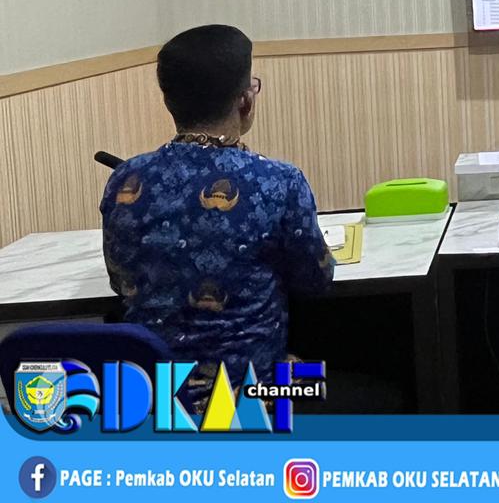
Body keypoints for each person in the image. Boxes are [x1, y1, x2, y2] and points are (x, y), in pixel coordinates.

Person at [100, 25, 334, 404]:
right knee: (375, 386)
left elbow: (121, 283)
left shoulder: (125, 180)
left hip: (154, 399)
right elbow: (316, 279)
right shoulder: (278, 181)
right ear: (245, 101)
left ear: (169, 102)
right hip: (252, 394)